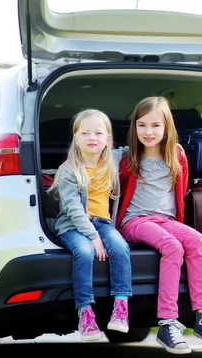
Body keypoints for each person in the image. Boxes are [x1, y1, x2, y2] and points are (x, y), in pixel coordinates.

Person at [117, 96, 202, 354]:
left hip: (166, 221)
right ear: (134, 128)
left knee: (196, 240)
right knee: (171, 247)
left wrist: (179, 226)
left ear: (166, 127)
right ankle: (167, 323)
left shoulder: (176, 156)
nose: (148, 132)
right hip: (135, 221)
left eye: (155, 125)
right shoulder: (128, 157)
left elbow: (180, 194)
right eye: (142, 126)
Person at [49, 109, 132, 341]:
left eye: (98, 133)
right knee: (84, 253)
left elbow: (136, 149)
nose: (92, 138)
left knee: (120, 247)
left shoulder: (112, 161)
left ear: (107, 139)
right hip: (72, 226)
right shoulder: (68, 170)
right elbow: (74, 210)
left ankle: (121, 307)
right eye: (85, 133)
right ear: (76, 139)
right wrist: (94, 237)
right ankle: (85, 313)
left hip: (103, 223)